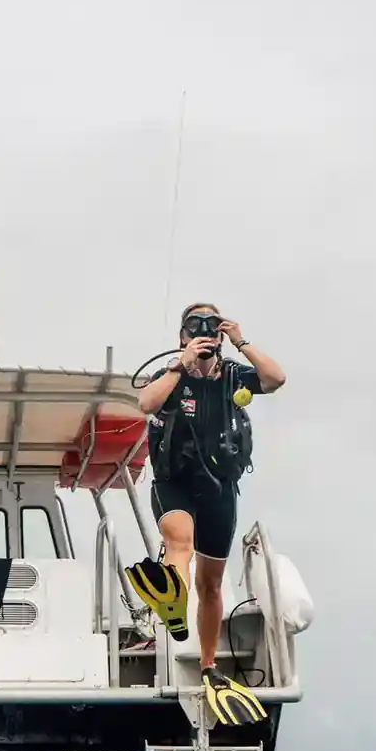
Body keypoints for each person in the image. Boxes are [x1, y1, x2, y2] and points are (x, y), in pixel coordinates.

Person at [127, 302, 286, 726]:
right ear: (182, 336)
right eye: (194, 326)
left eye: (211, 325)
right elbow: (145, 403)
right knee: (179, 544)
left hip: (219, 489)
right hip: (174, 483)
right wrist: (180, 366)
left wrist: (242, 341)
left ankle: (210, 667)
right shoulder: (171, 376)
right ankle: (172, 602)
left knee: (211, 585)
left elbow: (276, 378)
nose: (203, 332)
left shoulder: (234, 375)